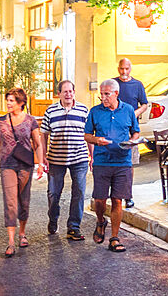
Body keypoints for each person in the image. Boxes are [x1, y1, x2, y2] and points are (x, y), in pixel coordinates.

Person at [84, 79, 139, 253]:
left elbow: (135, 131)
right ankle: (100, 221)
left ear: (116, 93)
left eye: (106, 94)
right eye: (101, 94)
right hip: (102, 161)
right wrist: (96, 140)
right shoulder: (95, 112)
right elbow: (87, 135)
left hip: (123, 161)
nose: (103, 97)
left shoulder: (129, 110)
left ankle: (115, 237)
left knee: (117, 199)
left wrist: (133, 140)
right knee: (100, 200)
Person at [0, 88, 45, 256]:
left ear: (21, 103)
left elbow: (37, 143)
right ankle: (11, 242)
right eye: (8, 100)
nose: (8, 103)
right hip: (7, 165)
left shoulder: (30, 121)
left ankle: (22, 233)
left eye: (12, 100)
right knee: (10, 201)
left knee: (24, 200)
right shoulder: (2, 121)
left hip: (25, 165)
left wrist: (41, 164)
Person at [41, 80, 90, 241]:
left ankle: (73, 227)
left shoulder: (83, 110)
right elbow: (44, 134)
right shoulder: (51, 111)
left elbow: (89, 135)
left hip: (80, 158)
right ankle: (53, 219)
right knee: (53, 194)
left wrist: (92, 156)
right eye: (65, 91)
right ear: (59, 94)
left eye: (71, 91)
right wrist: (43, 156)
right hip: (56, 158)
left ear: (74, 93)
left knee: (79, 192)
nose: (68, 94)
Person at [115, 58, 148, 208]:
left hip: (131, 129)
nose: (124, 72)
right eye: (122, 69)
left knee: (130, 163)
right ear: (118, 69)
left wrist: (134, 113)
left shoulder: (137, 85)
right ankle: (116, 194)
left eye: (127, 69)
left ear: (131, 69)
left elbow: (145, 104)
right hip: (115, 129)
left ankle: (128, 195)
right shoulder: (113, 84)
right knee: (114, 163)